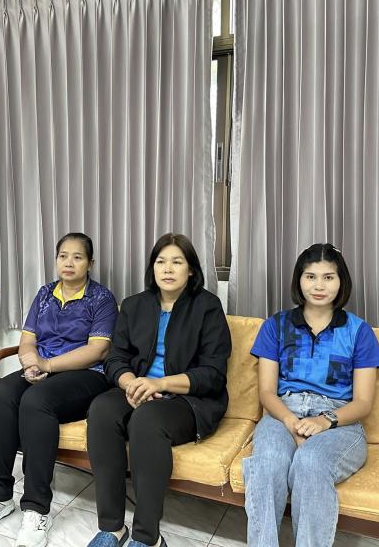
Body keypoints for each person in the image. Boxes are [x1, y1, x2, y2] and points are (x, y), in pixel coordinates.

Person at [0, 232, 118, 547]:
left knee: (36, 401)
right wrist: (30, 363)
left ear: (90, 263)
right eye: (63, 256)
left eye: (77, 257)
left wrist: (47, 365)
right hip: (42, 369)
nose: (69, 262)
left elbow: (98, 350)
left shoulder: (102, 298)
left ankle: (36, 508)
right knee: (3, 395)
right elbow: (28, 340)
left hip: (86, 375)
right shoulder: (45, 294)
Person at [86, 233, 231, 547]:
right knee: (101, 410)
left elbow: (213, 374)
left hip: (187, 399)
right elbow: (115, 358)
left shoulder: (207, 307)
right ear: (152, 267)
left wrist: (160, 383)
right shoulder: (134, 305)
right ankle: (112, 528)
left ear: (191, 270)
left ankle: (147, 537)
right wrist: (131, 383)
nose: (167, 268)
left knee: (147, 420)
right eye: (161, 261)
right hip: (138, 390)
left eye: (177, 262)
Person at [243, 243, 379, 547]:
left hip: (339, 420)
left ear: (341, 282)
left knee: (310, 462)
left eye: (328, 277)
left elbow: (363, 402)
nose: (319, 286)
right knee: (267, 464)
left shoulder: (359, 331)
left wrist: (323, 421)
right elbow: (266, 392)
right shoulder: (276, 325)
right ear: (299, 280)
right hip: (282, 412)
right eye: (310, 277)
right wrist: (290, 421)